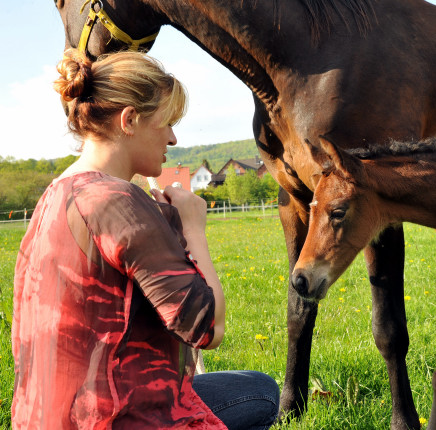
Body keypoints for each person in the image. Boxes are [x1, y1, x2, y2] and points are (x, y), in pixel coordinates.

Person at [11, 49, 279, 429]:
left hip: (48, 415)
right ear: (130, 119)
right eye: (167, 122)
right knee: (262, 393)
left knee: (245, 387)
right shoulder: (116, 200)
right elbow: (210, 329)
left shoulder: (56, 193)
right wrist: (193, 227)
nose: (172, 138)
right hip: (113, 415)